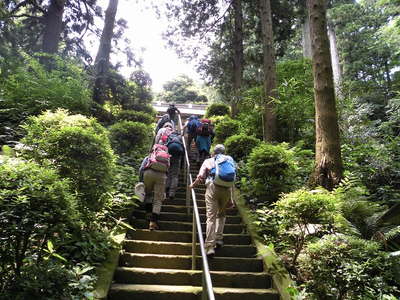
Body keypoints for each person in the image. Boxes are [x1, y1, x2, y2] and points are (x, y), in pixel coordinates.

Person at [190, 144, 236, 257]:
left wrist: (192, 186)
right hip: (227, 189)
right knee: (221, 214)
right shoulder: (229, 160)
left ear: (213, 152)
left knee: (211, 217)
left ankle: (210, 246)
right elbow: (233, 179)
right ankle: (219, 238)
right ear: (224, 152)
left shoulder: (209, 161)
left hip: (212, 187)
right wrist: (231, 198)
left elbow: (200, 176)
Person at [139, 144, 170, 230]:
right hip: (162, 176)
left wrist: (140, 180)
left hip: (148, 173)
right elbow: (168, 170)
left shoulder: (150, 156)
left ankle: (148, 213)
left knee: (148, 193)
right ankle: (153, 222)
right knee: (158, 199)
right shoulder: (166, 158)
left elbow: (141, 168)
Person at [165, 131, 184, 200]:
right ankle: (171, 193)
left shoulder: (169, 136)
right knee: (175, 175)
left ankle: (166, 186)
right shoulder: (180, 138)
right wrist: (182, 165)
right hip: (177, 157)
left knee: (169, 172)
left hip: (169, 156)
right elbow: (183, 150)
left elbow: (165, 146)